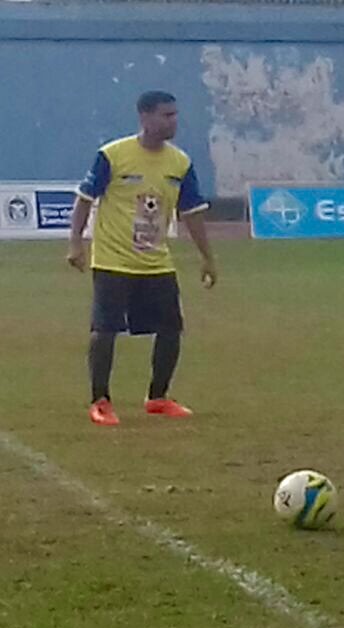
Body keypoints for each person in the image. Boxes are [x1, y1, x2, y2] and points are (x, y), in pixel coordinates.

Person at [66, 90, 217, 426]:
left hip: (156, 261)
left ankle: (158, 397)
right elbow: (84, 200)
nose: (174, 121)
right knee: (105, 330)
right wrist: (75, 243)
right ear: (145, 117)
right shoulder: (113, 155)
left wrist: (207, 257)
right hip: (112, 260)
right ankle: (100, 400)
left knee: (171, 329)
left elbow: (191, 212)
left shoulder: (180, 162)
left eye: (175, 115)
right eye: (167, 115)